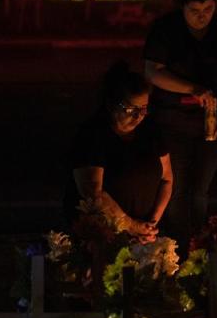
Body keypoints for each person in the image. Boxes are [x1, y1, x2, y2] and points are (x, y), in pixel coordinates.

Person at [143, 0, 217, 246]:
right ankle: (173, 247)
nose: (202, 17)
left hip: (210, 126)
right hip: (171, 123)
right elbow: (153, 71)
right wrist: (192, 89)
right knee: (175, 189)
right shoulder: (165, 31)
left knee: (200, 191)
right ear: (181, 7)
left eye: (208, 9)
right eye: (194, 10)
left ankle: (200, 247)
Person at [65, 62, 173, 243]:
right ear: (111, 104)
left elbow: (167, 178)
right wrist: (131, 226)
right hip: (103, 235)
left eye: (144, 109)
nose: (139, 116)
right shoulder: (93, 136)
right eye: (131, 109)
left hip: (145, 235)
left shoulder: (151, 131)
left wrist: (150, 225)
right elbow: (93, 193)